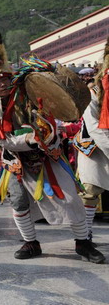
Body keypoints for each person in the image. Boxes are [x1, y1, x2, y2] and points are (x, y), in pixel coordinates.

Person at [0, 34, 104, 263]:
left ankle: (83, 243)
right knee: (19, 201)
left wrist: (46, 135)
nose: (3, 83)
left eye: (5, 79)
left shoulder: (27, 91)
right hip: (16, 161)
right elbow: (0, 139)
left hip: (47, 156)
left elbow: (51, 117)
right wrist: (30, 140)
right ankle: (30, 242)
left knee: (72, 198)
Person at [75, 38, 109, 244]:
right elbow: (93, 124)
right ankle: (84, 239)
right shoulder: (95, 90)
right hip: (95, 148)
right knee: (90, 193)